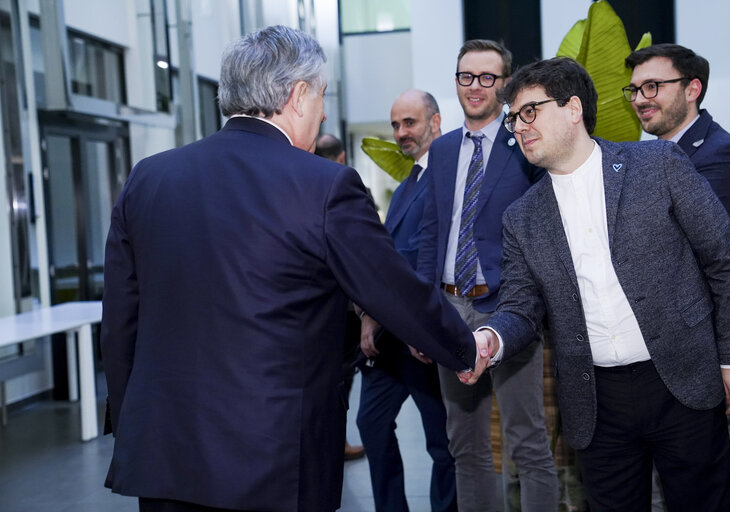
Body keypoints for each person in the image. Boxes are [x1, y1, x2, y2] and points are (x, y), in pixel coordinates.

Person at [100, 25, 493, 512]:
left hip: (163, 454)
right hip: (274, 459)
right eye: (323, 95)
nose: (325, 110)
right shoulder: (324, 186)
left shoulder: (148, 178)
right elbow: (392, 290)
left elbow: (120, 320)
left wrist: (135, 423)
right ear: (298, 94)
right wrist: (463, 347)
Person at [475, 56, 730, 512]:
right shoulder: (522, 217)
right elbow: (521, 306)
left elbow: (724, 260)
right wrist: (491, 337)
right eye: (512, 118)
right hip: (595, 400)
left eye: (529, 111)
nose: (518, 127)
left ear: (573, 109)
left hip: (681, 380)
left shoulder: (658, 165)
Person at [416, 39, 558, 512]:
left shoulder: (525, 145)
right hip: (449, 309)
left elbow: (545, 230)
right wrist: (422, 312)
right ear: (456, 81)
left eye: (487, 77)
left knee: (528, 444)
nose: (475, 87)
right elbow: (432, 234)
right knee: (465, 444)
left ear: (505, 83)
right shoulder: (441, 151)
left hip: (509, 309)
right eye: (465, 76)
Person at [625, 43, 730, 512]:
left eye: (653, 87)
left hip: (711, 346)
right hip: (655, 350)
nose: (641, 98)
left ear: (693, 89)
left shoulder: (726, 155)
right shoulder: (640, 162)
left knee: (726, 476)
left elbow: (677, 245)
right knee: (666, 483)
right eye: (635, 89)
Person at [355, 89, 457, 512]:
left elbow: (424, 261)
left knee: (441, 441)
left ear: (435, 122)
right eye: (396, 124)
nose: (400, 132)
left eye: (409, 123)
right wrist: (367, 314)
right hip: (389, 334)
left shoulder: (445, 179)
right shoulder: (408, 183)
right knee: (371, 423)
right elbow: (389, 259)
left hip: (422, 337)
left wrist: (420, 326)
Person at [314, 133, 366, 462]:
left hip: (315, 306)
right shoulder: (346, 186)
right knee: (342, 377)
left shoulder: (300, 186)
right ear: (343, 156)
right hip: (345, 305)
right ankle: (336, 441)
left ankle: (327, 440)